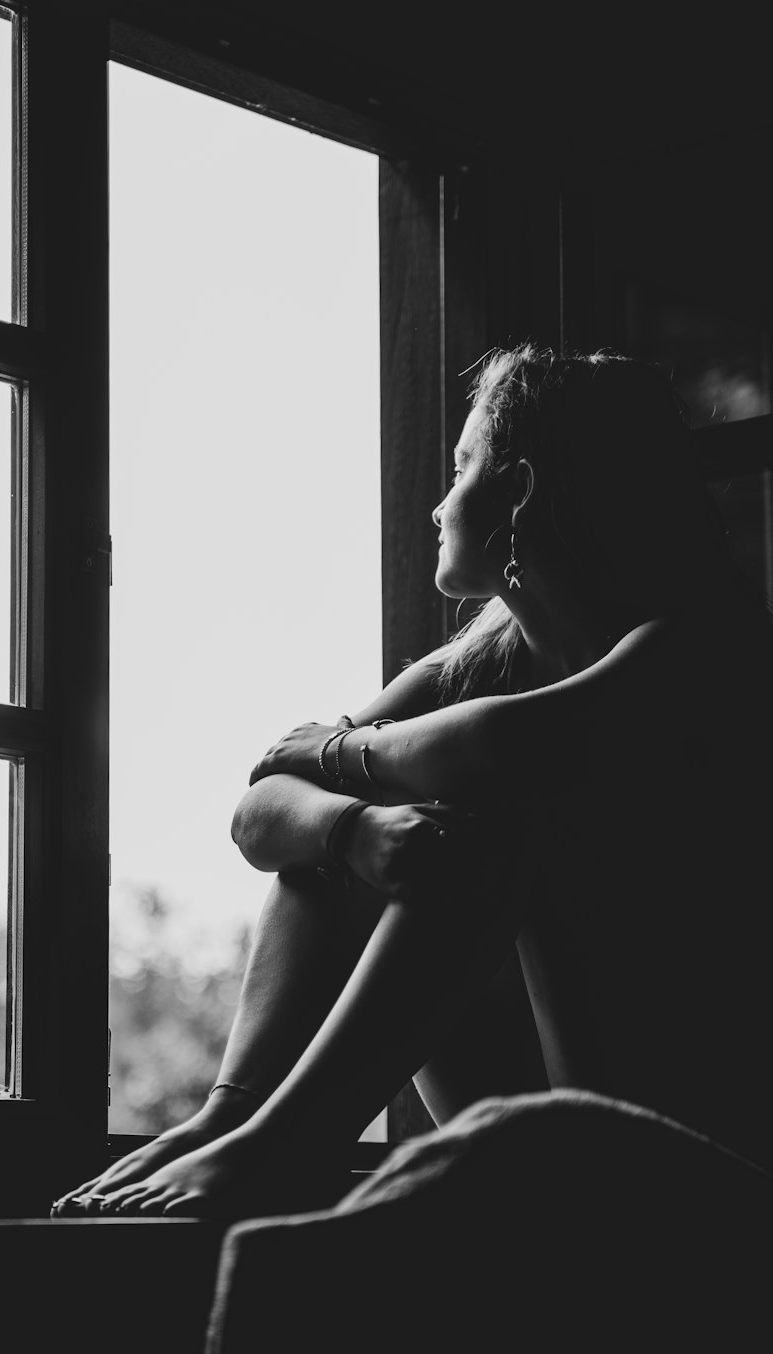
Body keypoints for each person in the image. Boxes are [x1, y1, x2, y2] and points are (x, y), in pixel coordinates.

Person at [51, 344, 773, 1220]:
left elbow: (507, 748)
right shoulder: (483, 658)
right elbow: (258, 813)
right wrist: (355, 832)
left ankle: (290, 1143)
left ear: (522, 491)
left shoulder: (706, 638)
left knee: (491, 826)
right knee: (364, 843)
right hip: (526, 1107)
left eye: (464, 466)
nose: (440, 503)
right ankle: (233, 1120)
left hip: (683, 1126)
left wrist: (337, 762)